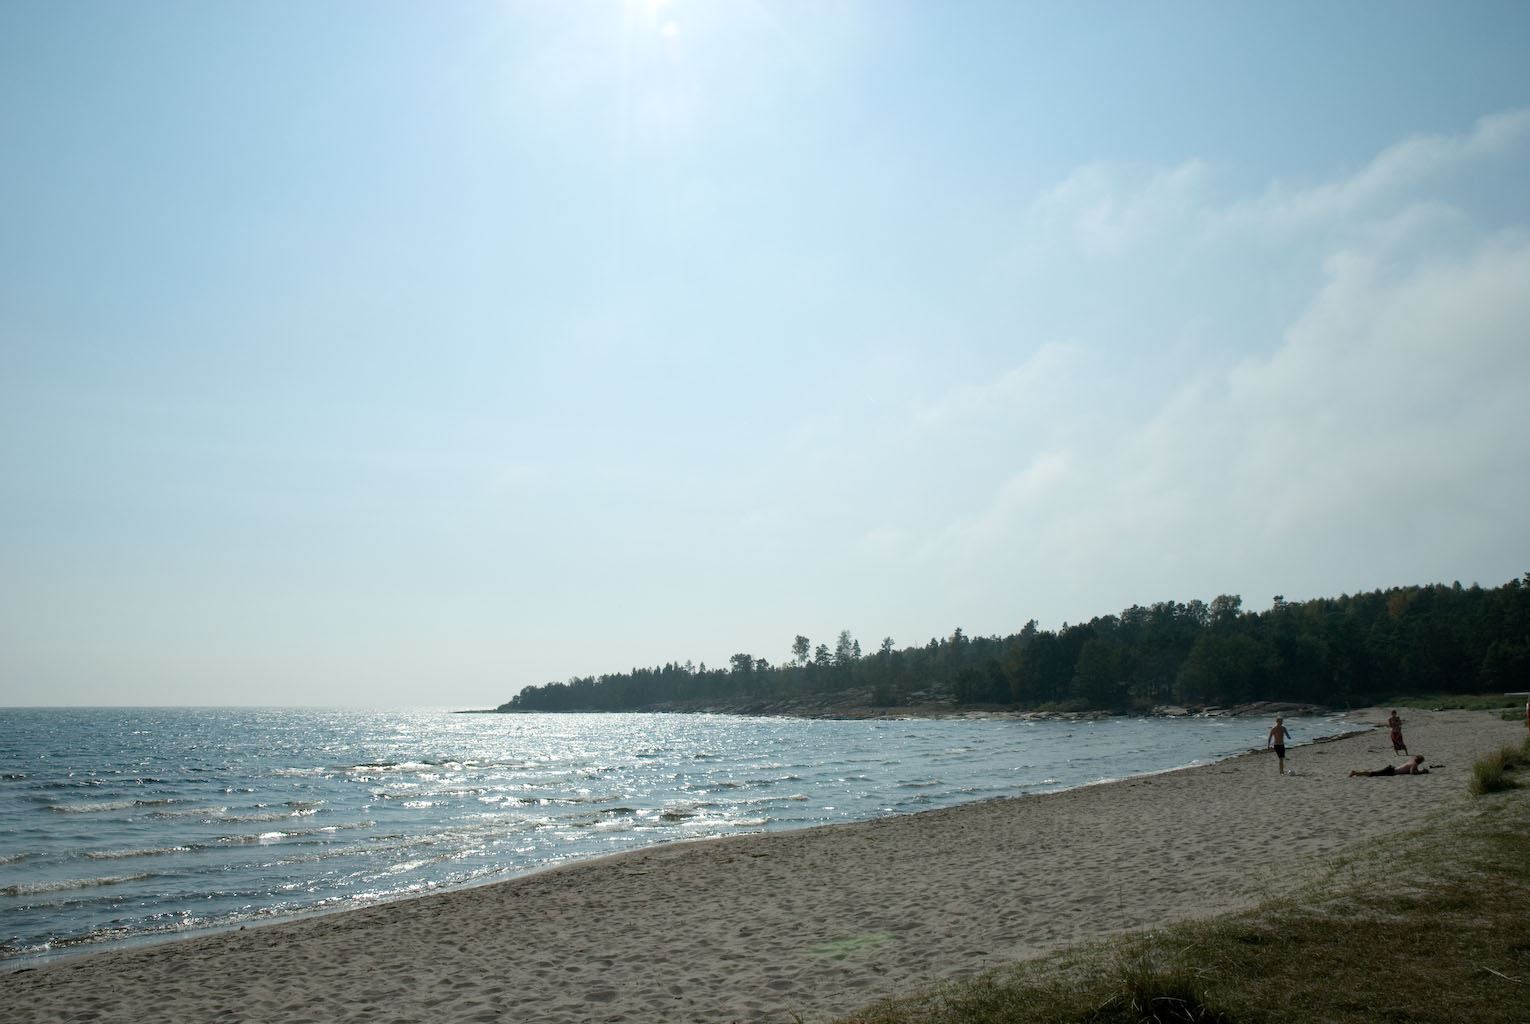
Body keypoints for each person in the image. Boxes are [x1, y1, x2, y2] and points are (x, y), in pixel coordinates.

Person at [1350, 754, 1429, 777]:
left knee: (1374, 773)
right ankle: (1355, 772)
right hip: (1391, 771)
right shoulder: (1414, 764)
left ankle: (1358, 774)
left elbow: (1411, 770)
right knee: (1373, 773)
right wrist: (1422, 772)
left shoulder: (1412, 761)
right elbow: (1412, 773)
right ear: (1420, 761)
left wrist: (1420, 771)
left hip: (1392, 769)